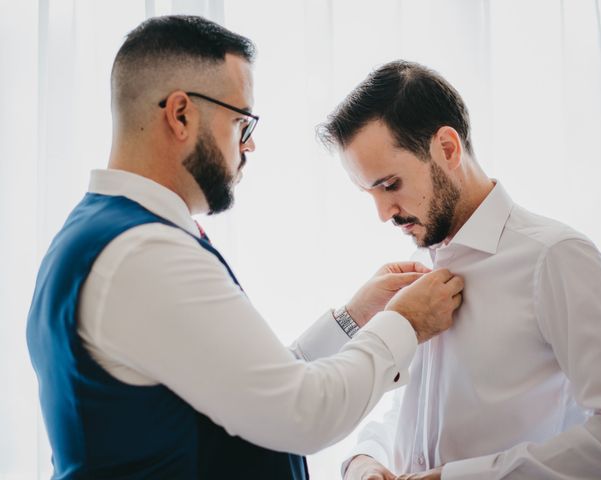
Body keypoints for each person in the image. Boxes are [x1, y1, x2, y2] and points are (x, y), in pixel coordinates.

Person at [25, 18, 465, 480]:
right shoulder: (144, 254)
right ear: (180, 115)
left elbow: (253, 391)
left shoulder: (103, 234)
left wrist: (352, 319)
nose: (250, 144)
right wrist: (406, 323)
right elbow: (300, 412)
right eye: (241, 121)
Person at [318, 60, 601, 480]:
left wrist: (459, 478)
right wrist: (365, 459)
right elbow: (413, 406)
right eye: (369, 193)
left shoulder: (555, 257)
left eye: (390, 185)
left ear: (447, 149)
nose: (383, 214)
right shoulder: (420, 273)